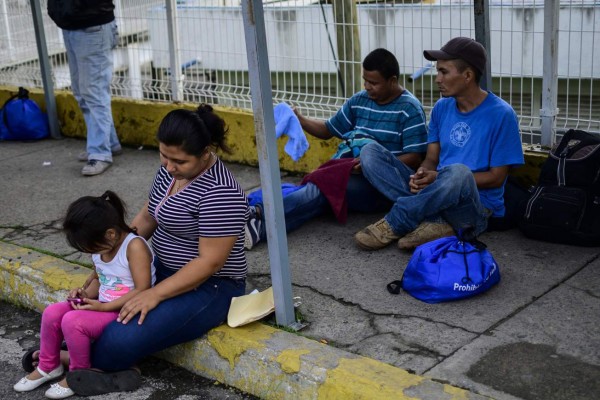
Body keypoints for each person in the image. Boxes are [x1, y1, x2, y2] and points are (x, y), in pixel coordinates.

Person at [60, 104, 248, 396]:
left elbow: (210, 262)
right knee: (85, 312)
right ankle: (86, 358)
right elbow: (147, 218)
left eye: (180, 161)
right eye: (164, 156)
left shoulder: (220, 193)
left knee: (120, 337)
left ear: (206, 151)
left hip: (210, 286)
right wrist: (107, 268)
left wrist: (154, 294)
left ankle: (74, 360)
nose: (170, 166)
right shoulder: (169, 172)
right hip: (158, 268)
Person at [244, 48, 429, 250]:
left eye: (373, 83)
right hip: (350, 170)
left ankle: (260, 214)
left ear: (392, 80)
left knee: (328, 185)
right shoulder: (360, 100)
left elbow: (415, 157)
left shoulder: (410, 109)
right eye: (365, 80)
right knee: (321, 197)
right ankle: (259, 228)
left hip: (381, 184)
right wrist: (300, 119)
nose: (367, 86)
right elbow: (329, 129)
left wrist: (370, 165)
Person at [354, 37, 525, 251]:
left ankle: (400, 219)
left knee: (459, 173)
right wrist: (422, 175)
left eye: (444, 72)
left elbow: (496, 178)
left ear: (468, 76)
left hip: (474, 207)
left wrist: (439, 177)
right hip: (436, 190)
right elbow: (432, 159)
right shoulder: (441, 107)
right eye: (438, 72)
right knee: (370, 152)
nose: (437, 79)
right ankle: (434, 221)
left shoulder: (501, 114)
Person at [13, 191, 154, 399]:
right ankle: (49, 366)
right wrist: (84, 293)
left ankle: (79, 373)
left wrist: (103, 307)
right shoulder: (102, 247)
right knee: (53, 312)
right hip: (104, 304)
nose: (91, 252)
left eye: (90, 247)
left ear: (110, 234)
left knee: (73, 321)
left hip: (125, 310)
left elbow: (143, 289)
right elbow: (102, 279)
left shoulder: (134, 247)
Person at [47, 0, 122, 176]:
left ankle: (100, 153)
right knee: (83, 92)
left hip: (92, 26)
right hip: (73, 24)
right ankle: (108, 143)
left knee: (93, 92)